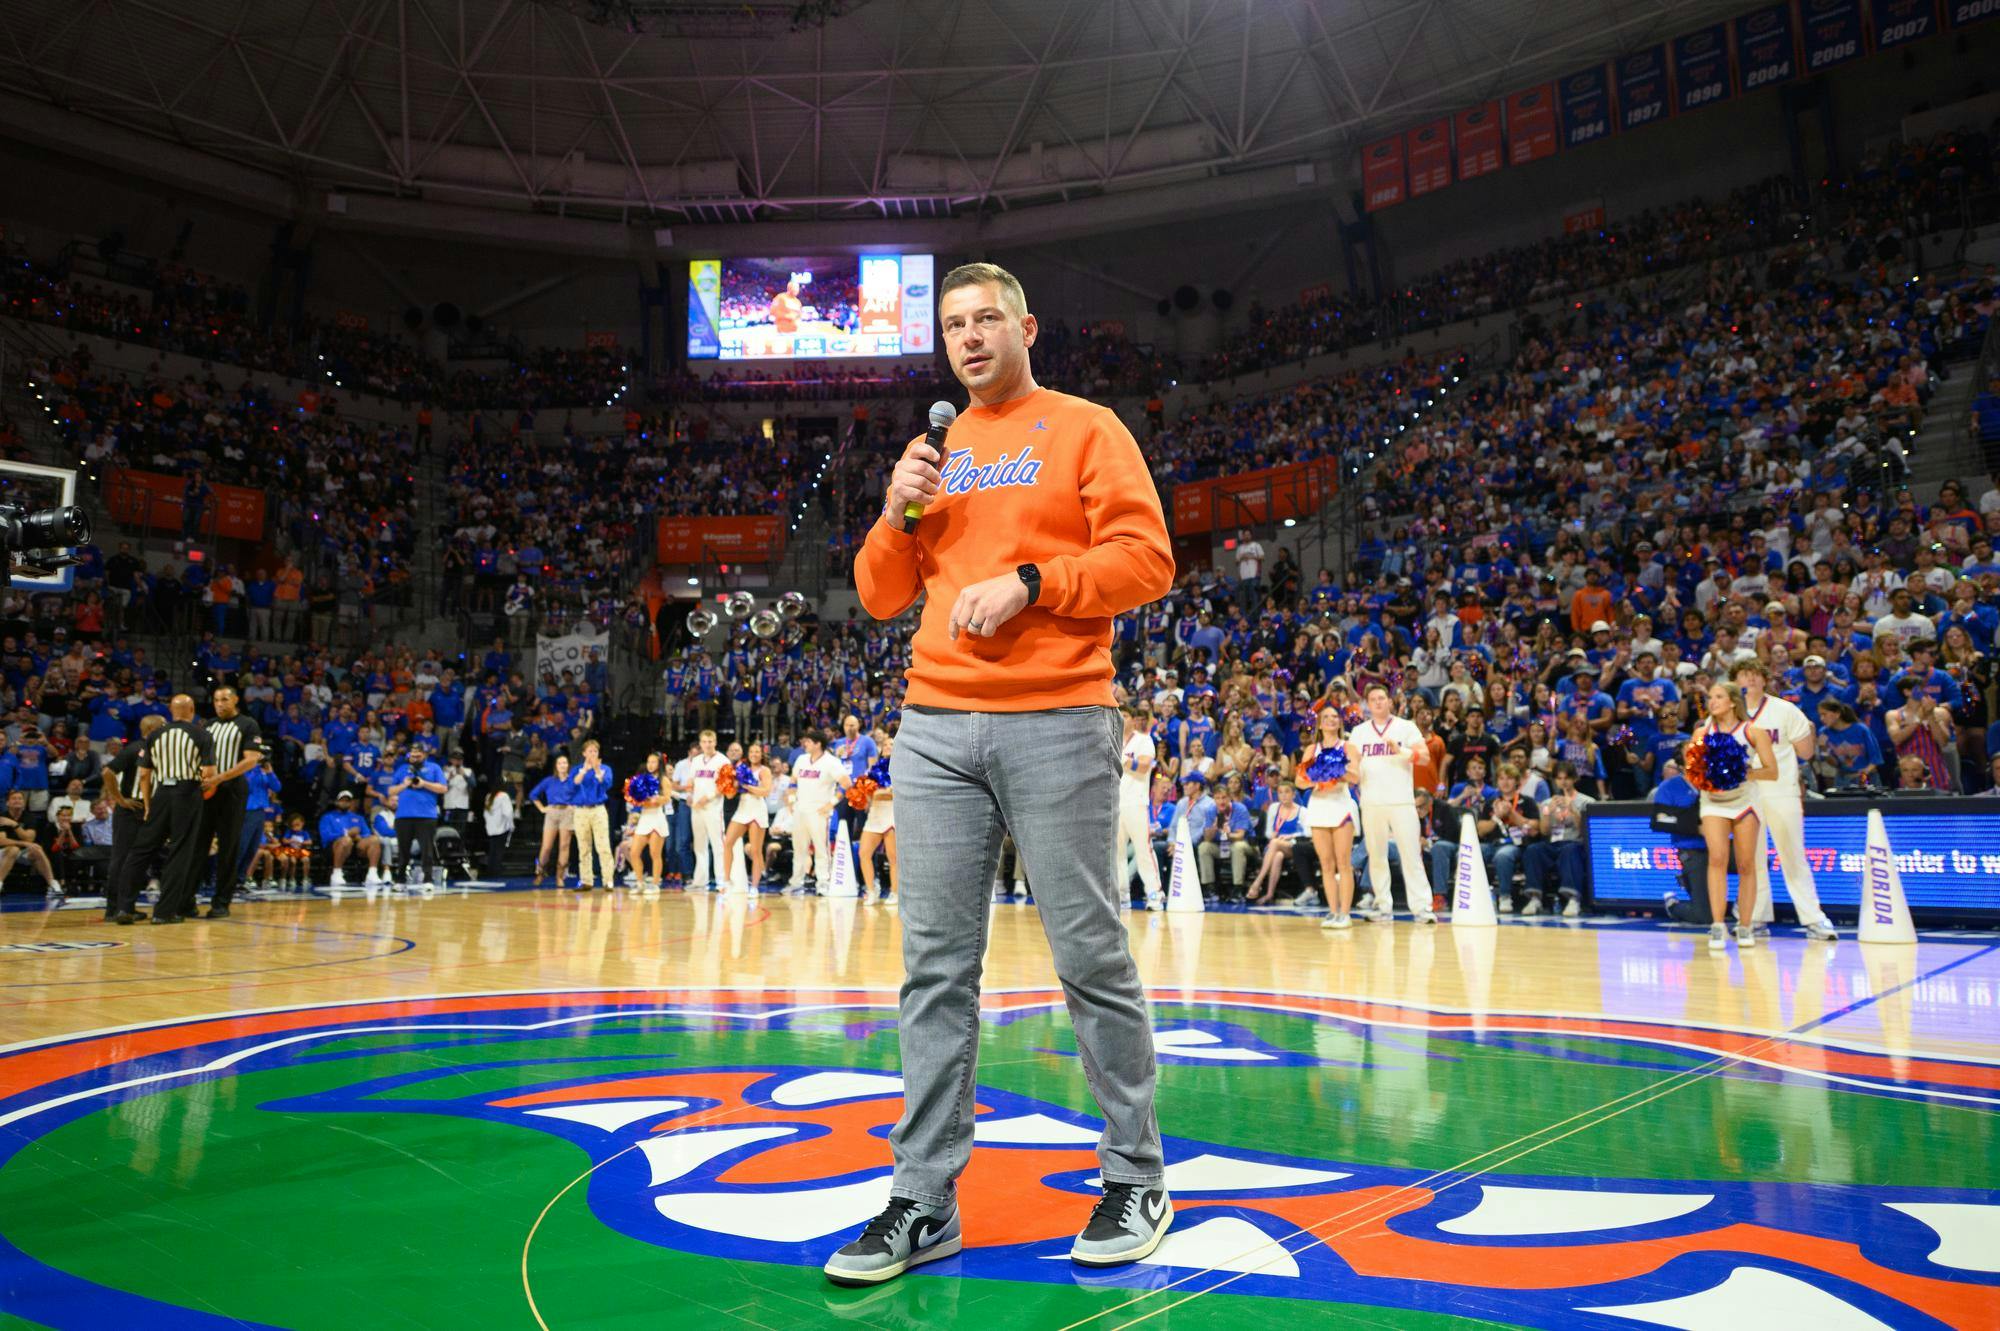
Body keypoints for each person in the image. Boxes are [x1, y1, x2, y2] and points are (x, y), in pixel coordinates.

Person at [828, 261, 1174, 1286]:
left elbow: (1146, 559)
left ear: (1025, 324)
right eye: (951, 326)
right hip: (932, 727)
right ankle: (922, 1199)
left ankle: (1135, 1172)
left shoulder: (1082, 426)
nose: (969, 337)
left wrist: (1032, 582)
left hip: (1059, 718)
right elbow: (879, 595)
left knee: (1088, 955)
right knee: (933, 970)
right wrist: (895, 509)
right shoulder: (931, 453)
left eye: (986, 319)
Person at [1734, 662, 1838, 941]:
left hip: (1780, 789)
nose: (1750, 680)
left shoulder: (1785, 710)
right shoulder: (1728, 714)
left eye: (1756, 675)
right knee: (1752, 859)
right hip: (1744, 794)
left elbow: (1806, 753)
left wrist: (1808, 733)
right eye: (1744, 676)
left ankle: (1814, 918)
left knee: (1793, 855)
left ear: (1765, 680)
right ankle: (1755, 917)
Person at [1694, 681, 1782, 952]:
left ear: (1733, 702)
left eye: (1718, 696)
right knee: (1717, 858)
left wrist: (1741, 772)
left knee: (1745, 864)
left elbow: (1772, 771)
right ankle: (1718, 925)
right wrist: (1707, 775)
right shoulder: (1701, 731)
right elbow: (1693, 770)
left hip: (1745, 801)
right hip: (1713, 801)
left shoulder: (1752, 731)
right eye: (1710, 697)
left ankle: (1745, 925)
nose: (1712, 701)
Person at [1354, 683, 1436, 922]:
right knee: (1376, 856)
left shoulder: (1406, 727)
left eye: (1382, 698)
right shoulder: (1359, 732)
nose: (1378, 702)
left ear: (1390, 701)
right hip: (1371, 802)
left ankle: (1422, 908)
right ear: (1367, 705)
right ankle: (1383, 906)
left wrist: (1401, 751)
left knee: (1411, 855)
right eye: (1373, 699)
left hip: (1401, 801)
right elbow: (1352, 765)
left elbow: (1425, 758)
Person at [146, 694, 218, 923]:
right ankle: (165, 911)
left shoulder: (155, 734)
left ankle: (120, 906)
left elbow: (144, 774)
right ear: (192, 709)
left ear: (170, 710)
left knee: (143, 849)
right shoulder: (201, 734)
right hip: (186, 792)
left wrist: (148, 804)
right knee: (181, 851)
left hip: (160, 793)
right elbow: (209, 774)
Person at [197, 686, 263, 918]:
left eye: (225, 699)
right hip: (207, 788)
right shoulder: (207, 725)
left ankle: (221, 902)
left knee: (228, 847)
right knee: (198, 844)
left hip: (232, 788)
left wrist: (220, 777)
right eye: (216, 699)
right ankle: (186, 900)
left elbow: (252, 760)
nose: (220, 703)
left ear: (235, 700)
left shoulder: (248, 724)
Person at [1296, 706, 1360, 928]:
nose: (1331, 720)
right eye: (1326, 717)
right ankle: (1332, 912)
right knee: (1326, 864)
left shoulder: (1348, 747)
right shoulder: (1312, 749)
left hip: (1341, 805)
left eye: (1335, 717)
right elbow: (1299, 781)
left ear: (1340, 723)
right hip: (1319, 805)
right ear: (1320, 724)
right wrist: (1318, 777)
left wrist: (1337, 772)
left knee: (1344, 862)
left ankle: (1345, 913)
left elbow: (1356, 776)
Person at [102, 716, 165, 924]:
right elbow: (108, 772)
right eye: (163, 726)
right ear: (152, 728)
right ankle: (113, 909)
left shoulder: (159, 750)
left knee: (138, 860)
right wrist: (119, 799)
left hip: (149, 809)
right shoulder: (135, 748)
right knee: (122, 858)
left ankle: (126, 907)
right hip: (130, 810)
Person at [786, 730, 846, 893]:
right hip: (800, 810)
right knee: (798, 848)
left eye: (808, 742)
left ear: (818, 744)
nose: (805, 744)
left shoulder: (831, 762)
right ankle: (796, 882)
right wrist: (791, 801)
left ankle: (823, 883)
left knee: (821, 848)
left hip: (819, 812)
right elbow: (793, 782)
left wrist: (831, 803)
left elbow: (846, 783)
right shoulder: (801, 759)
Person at [1116, 704, 1164, 910]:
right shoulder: (1113, 740)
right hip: (1115, 803)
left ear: (1133, 719)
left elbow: (1143, 767)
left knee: (1143, 849)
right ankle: (1121, 894)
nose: (1122, 718)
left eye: (1126, 715)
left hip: (1136, 803)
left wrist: (1123, 759)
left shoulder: (1144, 740)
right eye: (1120, 715)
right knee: (1115, 852)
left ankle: (1155, 894)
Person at [388, 740, 447, 885]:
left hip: (426, 815)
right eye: (412, 756)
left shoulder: (434, 768)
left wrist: (424, 783)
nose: (414, 759)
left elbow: (443, 788)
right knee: (403, 851)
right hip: (403, 815)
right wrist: (404, 784)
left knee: (427, 850)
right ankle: (400, 880)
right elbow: (390, 791)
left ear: (425, 755)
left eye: (418, 756)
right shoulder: (402, 769)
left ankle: (428, 880)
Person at [680, 730, 730, 890]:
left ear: (715, 742)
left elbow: (724, 786)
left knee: (718, 844)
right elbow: (690, 781)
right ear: (700, 744)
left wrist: (706, 797)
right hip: (697, 808)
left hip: (713, 808)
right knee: (699, 845)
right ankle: (700, 880)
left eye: (710, 741)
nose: (707, 744)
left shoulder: (723, 761)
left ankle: (722, 881)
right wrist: (689, 794)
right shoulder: (695, 761)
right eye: (704, 741)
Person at [721, 742, 773, 894]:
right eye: (752, 752)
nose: (754, 754)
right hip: (743, 808)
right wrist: (728, 784)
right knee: (728, 842)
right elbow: (730, 795)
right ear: (748, 754)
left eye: (757, 752)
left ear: (761, 754)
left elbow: (765, 791)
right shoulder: (740, 769)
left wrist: (747, 786)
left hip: (757, 809)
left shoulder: (764, 770)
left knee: (756, 850)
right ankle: (727, 881)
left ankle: (754, 887)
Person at [1245, 784, 1305, 905]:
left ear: (1294, 795)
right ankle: (1269, 894)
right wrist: (1273, 835)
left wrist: (1291, 836)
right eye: (1280, 792)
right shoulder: (1274, 808)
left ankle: (1258, 882)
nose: (1283, 795)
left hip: (1293, 846)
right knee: (1278, 855)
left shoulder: (1302, 811)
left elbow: (1307, 833)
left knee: (1275, 843)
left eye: (1287, 792)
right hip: (1275, 846)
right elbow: (1268, 832)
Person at [569, 740, 616, 891]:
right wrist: (584, 770)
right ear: (584, 753)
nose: (592, 754)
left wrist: (596, 771)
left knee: (603, 846)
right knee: (583, 847)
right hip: (581, 810)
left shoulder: (605, 768)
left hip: (598, 810)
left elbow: (607, 784)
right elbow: (573, 784)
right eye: (589, 751)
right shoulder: (577, 769)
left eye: (595, 751)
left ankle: (608, 880)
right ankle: (586, 880)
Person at [857, 738, 897, 906]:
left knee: (893, 857)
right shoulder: (873, 770)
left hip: (892, 813)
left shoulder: (901, 768)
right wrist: (862, 795)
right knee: (864, 853)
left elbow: (895, 793)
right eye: (885, 744)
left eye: (892, 744)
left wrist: (879, 792)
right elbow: (868, 796)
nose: (888, 747)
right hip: (875, 814)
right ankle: (871, 890)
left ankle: (895, 893)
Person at [528, 754, 575, 887]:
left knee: (564, 846)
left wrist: (574, 806)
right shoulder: (549, 780)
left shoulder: (572, 781)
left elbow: (579, 795)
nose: (562, 765)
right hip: (552, 812)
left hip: (567, 812)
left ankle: (560, 877)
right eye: (560, 763)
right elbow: (533, 794)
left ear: (568, 765)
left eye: (565, 763)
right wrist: (542, 808)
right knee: (546, 847)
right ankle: (540, 873)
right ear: (556, 766)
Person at [318, 791, 381, 886]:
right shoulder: (327, 817)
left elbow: (367, 833)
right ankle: (336, 874)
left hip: (356, 847)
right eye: (342, 800)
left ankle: (372, 873)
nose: (345, 802)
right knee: (346, 840)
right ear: (336, 802)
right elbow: (326, 836)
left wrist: (359, 837)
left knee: (374, 839)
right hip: (333, 847)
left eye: (347, 801)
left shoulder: (358, 818)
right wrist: (346, 833)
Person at [627, 753, 670, 892]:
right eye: (648, 761)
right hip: (644, 818)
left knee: (654, 853)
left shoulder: (664, 780)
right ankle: (640, 883)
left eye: (654, 762)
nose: (650, 764)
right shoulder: (641, 779)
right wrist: (637, 799)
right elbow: (634, 798)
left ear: (659, 764)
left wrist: (657, 800)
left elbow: (667, 799)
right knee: (634, 852)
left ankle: (656, 884)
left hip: (657, 818)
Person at [483, 784, 515, 879]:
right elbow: (508, 812)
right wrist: (510, 825)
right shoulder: (503, 796)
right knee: (498, 852)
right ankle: (496, 873)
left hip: (491, 829)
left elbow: (485, 813)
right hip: (501, 828)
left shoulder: (489, 796)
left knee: (493, 851)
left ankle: (491, 872)